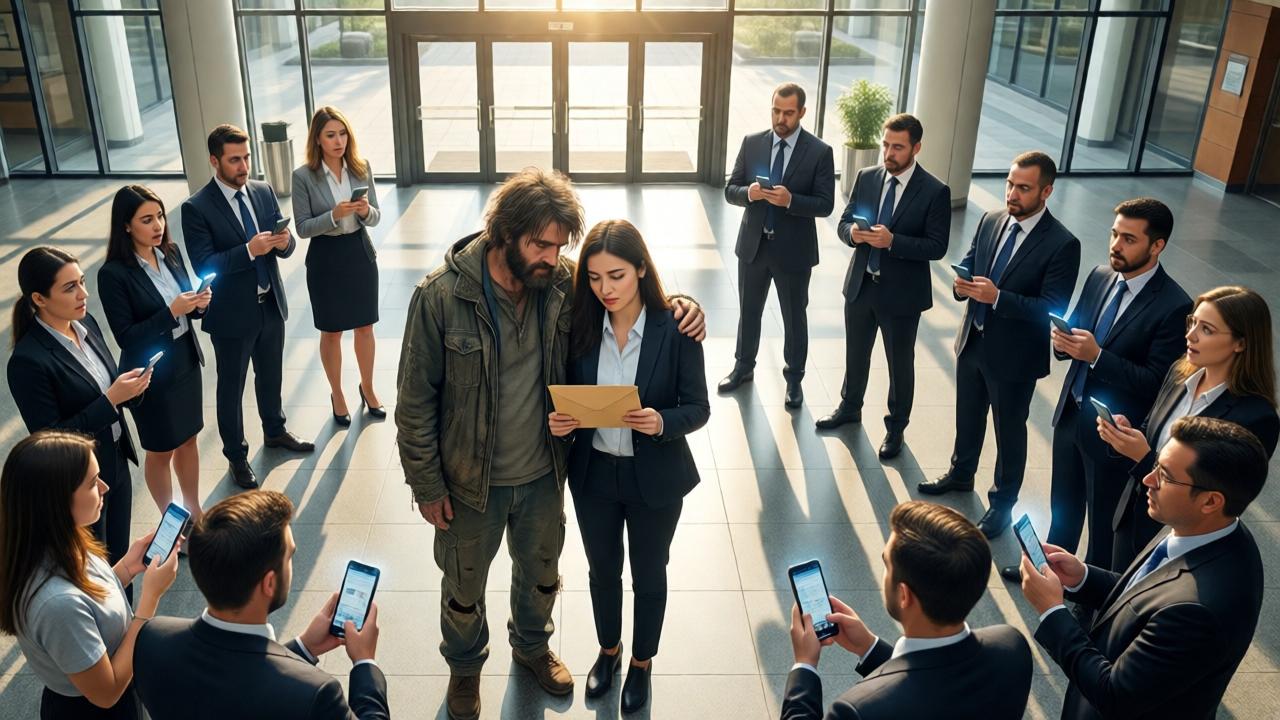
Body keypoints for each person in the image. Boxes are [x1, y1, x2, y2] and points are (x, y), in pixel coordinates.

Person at [395, 168, 704, 720]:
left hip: (545, 474)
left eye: (560, 245)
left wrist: (681, 303)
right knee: (463, 585)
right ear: (503, 233)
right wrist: (426, 485)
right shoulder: (441, 297)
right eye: (541, 243)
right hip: (470, 481)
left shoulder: (560, 284)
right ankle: (465, 670)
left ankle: (532, 649)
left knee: (540, 574)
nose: (551, 255)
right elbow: (415, 403)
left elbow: (626, 291)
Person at [549, 220, 710, 713]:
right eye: (595, 279)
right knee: (602, 571)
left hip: (655, 478)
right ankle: (608, 651)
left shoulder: (676, 327)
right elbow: (566, 394)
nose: (606, 289)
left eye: (616, 276)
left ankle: (641, 663)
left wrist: (661, 421)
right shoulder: (580, 325)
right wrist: (562, 424)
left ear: (642, 267)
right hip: (595, 474)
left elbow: (698, 407)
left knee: (649, 573)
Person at [1021, 416, 1267, 720]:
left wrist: (1052, 611)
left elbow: (1114, 695)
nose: (1148, 480)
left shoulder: (1199, 611)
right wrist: (1083, 577)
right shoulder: (1197, 526)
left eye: (1164, 476)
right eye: (1155, 466)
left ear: (1210, 502)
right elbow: (1147, 594)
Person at [1007, 198, 1192, 581]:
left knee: (1103, 524)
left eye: (1128, 239)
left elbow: (1157, 381)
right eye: (1114, 234)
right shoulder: (1099, 275)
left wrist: (1097, 356)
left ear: (1157, 246)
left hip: (1113, 433)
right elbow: (1076, 327)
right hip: (1072, 414)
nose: (1115, 246)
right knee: (1064, 508)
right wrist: (1062, 342)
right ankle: (1049, 573)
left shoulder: (1174, 305)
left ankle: (1091, 596)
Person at [920, 151, 1081, 539]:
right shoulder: (992, 219)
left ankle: (1002, 505)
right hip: (973, 339)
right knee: (968, 414)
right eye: (1010, 184)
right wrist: (962, 285)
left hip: (1014, 357)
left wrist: (998, 298)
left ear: (1046, 191)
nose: (1012, 193)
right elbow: (972, 261)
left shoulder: (1062, 244)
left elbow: (1050, 308)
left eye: (1023, 188)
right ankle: (961, 473)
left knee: (1009, 432)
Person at [133, 490, 387, 719]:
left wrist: (303, 648)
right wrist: (364, 663)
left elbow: (237, 683)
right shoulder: (316, 694)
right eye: (290, 556)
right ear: (269, 583)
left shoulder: (152, 640)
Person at [783, 501, 1032, 719]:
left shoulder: (859, 710)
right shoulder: (1012, 648)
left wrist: (805, 666)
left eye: (886, 563)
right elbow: (933, 686)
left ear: (904, 595)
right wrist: (869, 647)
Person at [0, 430, 180, 719]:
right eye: (92, 482)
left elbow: (89, 601)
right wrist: (149, 601)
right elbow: (106, 693)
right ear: (56, 501)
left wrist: (127, 568)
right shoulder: (56, 606)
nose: (106, 488)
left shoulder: (61, 540)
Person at [1099, 286, 1278, 570]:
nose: (1190, 335)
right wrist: (1127, 433)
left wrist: (1144, 458)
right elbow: (1152, 430)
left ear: (1241, 343)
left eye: (1206, 329)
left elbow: (1219, 495)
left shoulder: (1256, 417)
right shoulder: (1178, 373)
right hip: (1133, 516)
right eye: (1192, 322)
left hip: (1179, 541)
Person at [181, 124, 313, 490]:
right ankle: (237, 457)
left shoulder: (262, 190)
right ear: (214, 161)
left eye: (246, 158)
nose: (243, 166)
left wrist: (284, 243)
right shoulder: (196, 208)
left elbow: (283, 247)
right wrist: (248, 251)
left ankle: (274, 430)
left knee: (270, 375)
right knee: (232, 388)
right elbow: (204, 264)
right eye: (234, 160)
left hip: (269, 302)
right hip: (232, 315)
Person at [817, 113, 950, 461]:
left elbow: (937, 246)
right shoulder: (867, 177)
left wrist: (893, 241)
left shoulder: (935, 191)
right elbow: (845, 221)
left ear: (916, 148)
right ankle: (849, 408)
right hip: (862, 284)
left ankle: (896, 429)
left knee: (899, 365)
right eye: (886, 145)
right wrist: (852, 234)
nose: (889, 153)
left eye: (898, 147)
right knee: (855, 354)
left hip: (902, 295)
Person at [7, 246, 150, 563]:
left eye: (82, 282)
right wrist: (110, 400)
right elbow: (50, 437)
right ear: (39, 299)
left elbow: (106, 387)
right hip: (78, 480)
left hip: (115, 460)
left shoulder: (87, 325)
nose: (83, 294)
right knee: (96, 562)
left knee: (120, 554)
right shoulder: (28, 361)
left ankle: (123, 612)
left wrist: (131, 389)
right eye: (70, 287)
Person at [97, 185, 212, 522]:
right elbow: (126, 336)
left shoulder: (170, 253)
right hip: (152, 375)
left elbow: (187, 307)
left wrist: (199, 305)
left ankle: (193, 508)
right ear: (126, 226)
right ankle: (170, 522)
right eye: (147, 219)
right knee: (161, 450)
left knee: (189, 439)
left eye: (159, 215)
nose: (158, 225)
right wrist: (171, 311)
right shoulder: (113, 275)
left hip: (186, 361)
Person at [719, 82, 835, 408]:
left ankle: (794, 380)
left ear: (801, 113)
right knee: (749, 311)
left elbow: (825, 204)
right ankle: (743, 367)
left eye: (788, 113)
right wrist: (749, 194)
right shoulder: (752, 143)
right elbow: (731, 189)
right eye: (776, 110)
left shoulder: (819, 152)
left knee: (794, 318)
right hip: (754, 247)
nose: (780, 118)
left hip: (793, 252)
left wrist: (791, 200)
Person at [292, 106, 385, 426]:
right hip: (325, 259)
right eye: (330, 135)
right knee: (331, 331)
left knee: (365, 326)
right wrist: (334, 214)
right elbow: (302, 228)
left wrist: (362, 211)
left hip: (358, 253)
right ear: (317, 139)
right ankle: (337, 393)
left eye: (342, 133)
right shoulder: (303, 176)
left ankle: (368, 387)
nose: (338, 140)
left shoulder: (361, 168)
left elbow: (376, 216)